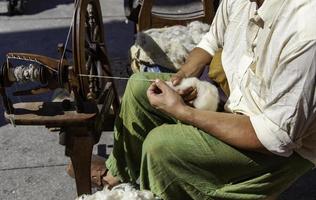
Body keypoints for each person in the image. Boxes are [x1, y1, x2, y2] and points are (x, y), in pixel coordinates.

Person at [68, 0, 316, 199]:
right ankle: (120, 175)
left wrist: (185, 113)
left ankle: (162, 190)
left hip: (283, 147)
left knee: (162, 146)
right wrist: (181, 77)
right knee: (138, 86)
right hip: (240, 109)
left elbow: (276, 137)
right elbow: (210, 43)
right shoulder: (243, 2)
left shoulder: (305, 30)